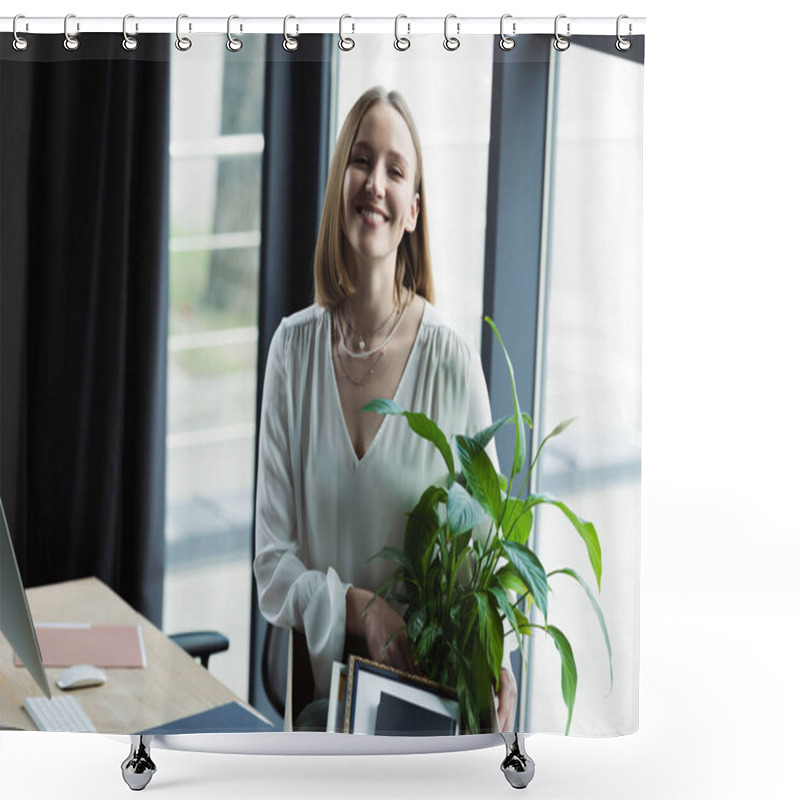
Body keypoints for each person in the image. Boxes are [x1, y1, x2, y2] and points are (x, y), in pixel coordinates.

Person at [253, 86, 517, 731]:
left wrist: (499, 662)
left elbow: (484, 561)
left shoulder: (452, 362)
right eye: (361, 160)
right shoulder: (292, 350)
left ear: (413, 211)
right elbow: (272, 566)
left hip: (421, 705)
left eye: (395, 170)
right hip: (321, 709)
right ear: (340, 181)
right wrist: (360, 607)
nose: (375, 183)